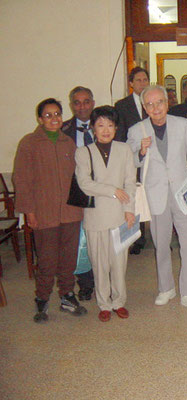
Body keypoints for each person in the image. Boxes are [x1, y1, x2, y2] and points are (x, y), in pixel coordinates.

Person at [127, 85, 187, 312]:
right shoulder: (137, 130)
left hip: (184, 193)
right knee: (161, 245)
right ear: (144, 107)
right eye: (150, 104)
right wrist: (140, 152)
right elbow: (130, 162)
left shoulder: (181, 124)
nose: (156, 107)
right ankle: (166, 288)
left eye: (159, 102)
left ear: (167, 102)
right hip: (156, 195)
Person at [13, 98, 87, 323]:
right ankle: (42, 299)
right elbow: (22, 180)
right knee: (47, 260)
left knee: (68, 258)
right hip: (43, 213)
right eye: (48, 115)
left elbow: (79, 176)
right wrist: (29, 212)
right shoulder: (29, 143)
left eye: (57, 114)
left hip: (70, 212)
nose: (54, 119)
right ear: (40, 119)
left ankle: (66, 295)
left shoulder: (68, 143)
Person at [75, 106, 136, 322]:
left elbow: (130, 182)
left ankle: (119, 301)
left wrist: (130, 210)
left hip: (120, 214)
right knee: (99, 263)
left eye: (110, 125)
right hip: (95, 216)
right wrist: (113, 191)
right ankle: (104, 303)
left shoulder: (124, 149)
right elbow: (84, 184)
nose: (105, 129)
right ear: (92, 128)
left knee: (119, 263)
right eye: (100, 125)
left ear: (116, 128)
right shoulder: (83, 152)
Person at [62, 86, 96, 301]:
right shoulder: (63, 130)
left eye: (86, 101)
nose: (82, 106)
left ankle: (106, 279)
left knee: (103, 238)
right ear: (72, 105)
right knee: (81, 241)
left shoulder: (104, 123)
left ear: (92, 102)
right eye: (77, 102)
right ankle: (86, 283)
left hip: (103, 191)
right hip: (76, 193)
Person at [115, 67, 150, 255]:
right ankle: (138, 237)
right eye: (138, 80)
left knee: (153, 196)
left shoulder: (153, 100)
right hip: (133, 156)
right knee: (135, 198)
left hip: (152, 159)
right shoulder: (122, 105)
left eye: (145, 80)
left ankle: (158, 235)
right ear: (131, 83)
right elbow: (120, 135)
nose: (142, 83)